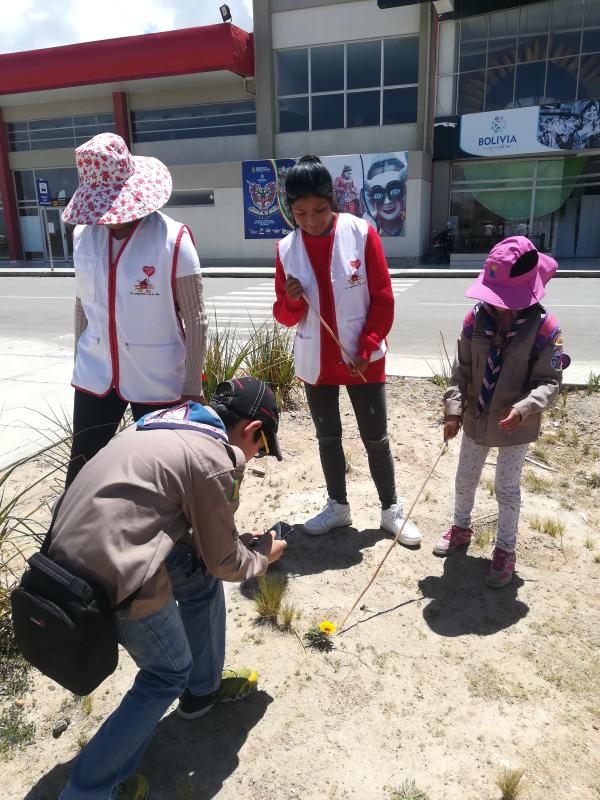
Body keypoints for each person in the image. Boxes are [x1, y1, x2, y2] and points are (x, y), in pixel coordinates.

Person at [49, 377, 286, 800]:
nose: (256, 457)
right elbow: (227, 563)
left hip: (64, 556)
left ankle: (202, 692)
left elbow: (195, 540)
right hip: (107, 576)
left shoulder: (169, 421)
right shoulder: (216, 458)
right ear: (251, 431)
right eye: (263, 448)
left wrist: (225, 546)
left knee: (197, 573)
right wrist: (263, 556)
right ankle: (87, 791)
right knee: (165, 673)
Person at [273, 155, 421, 546]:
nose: (311, 220)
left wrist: (369, 345)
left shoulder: (361, 232)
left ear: (332, 201)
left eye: (319, 210)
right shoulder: (286, 249)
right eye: (300, 213)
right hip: (316, 361)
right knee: (327, 437)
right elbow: (285, 317)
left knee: (376, 437)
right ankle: (338, 507)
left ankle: (391, 509)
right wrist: (291, 300)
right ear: (291, 210)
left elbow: (383, 298)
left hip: (361, 359)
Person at [62, 132, 208, 488]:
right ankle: (61, 542)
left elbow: (196, 318)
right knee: (83, 466)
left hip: (158, 378)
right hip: (96, 376)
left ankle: (171, 540)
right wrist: (80, 357)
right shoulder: (83, 236)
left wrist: (191, 385)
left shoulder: (173, 239)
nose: (110, 218)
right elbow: (83, 301)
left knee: (161, 471)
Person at [435, 236, 567, 587]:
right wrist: (453, 411)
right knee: (465, 478)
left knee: (507, 489)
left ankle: (506, 549)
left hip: (514, 427)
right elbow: (461, 371)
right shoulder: (475, 320)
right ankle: (461, 528)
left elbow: (550, 381)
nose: (502, 307)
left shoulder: (546, 330)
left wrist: (524, 409)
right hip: (476, 420)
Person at [363, 156, 407, 237]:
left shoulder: (410, 223)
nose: (387, 201)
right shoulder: (366, 225)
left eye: (394, 191)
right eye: (378, 194)